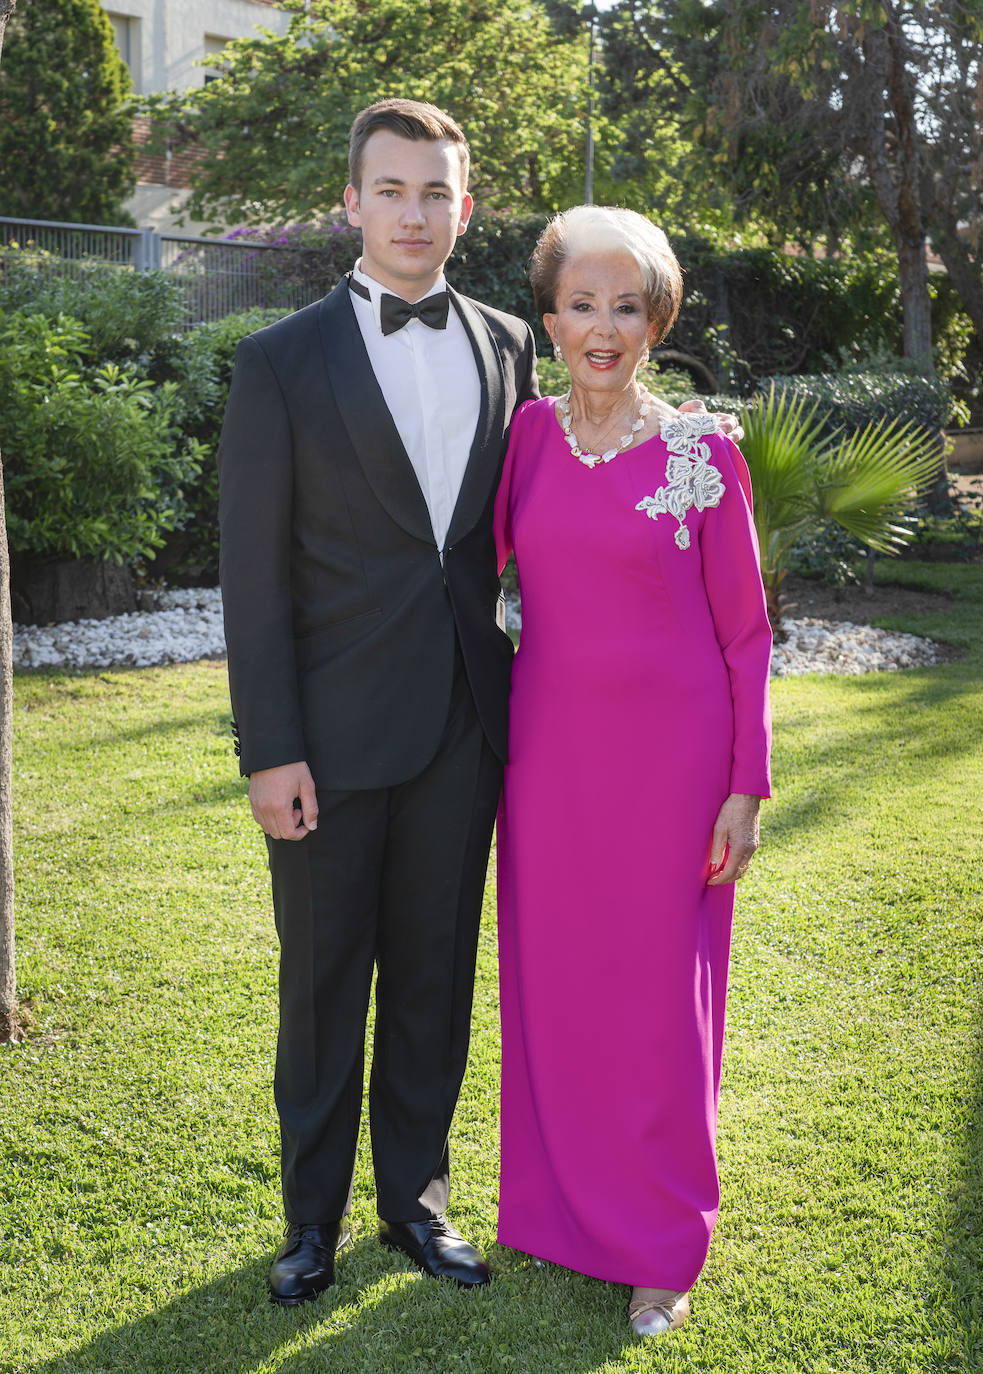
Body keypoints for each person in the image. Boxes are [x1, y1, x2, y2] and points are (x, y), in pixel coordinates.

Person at [217, 97, 539, 1304]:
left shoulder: (510, 343)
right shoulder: (279, 360)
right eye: (392, 190)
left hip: (466, 724)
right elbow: (252, 582)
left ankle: (416, 1205)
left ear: (467, 205)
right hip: (330, 741)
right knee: (321, 985)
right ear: (350, 203)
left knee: (432, 978)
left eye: (437, 191)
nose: (415, 213)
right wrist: (271, 749)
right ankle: (309, 1224)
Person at [493, 206, 773, 1338]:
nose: (600, 327)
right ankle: (557, 1218)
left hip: (674, 772)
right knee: (557, 987)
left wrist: (744, 785)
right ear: (549, 314)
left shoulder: (706, 450)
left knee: (662, 1005)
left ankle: (663, 1245)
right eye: (579, 303)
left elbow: (745, 635)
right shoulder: (524, 437)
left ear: (655, 318)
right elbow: (462, 572)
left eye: (625, 306)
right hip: (548, 761)